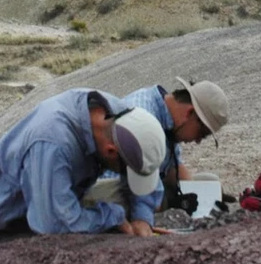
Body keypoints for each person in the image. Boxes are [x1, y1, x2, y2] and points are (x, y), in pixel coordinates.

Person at [0, 88, 167, 243]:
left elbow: (145, 166)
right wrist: (113, 218)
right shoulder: (53, 143)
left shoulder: (119, 113)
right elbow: (52, 224)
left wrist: (142, 217)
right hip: (13, 218)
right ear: (111, 151)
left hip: (64, 195)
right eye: (126, 171)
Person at [85, 76, 229, 208]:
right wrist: (173, 202)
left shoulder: (170, 121)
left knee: (211, 181)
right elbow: (133, 184)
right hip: (107, 186)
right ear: (190, 113)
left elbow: (173, 168)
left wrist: (201, 197)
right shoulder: (142, 114)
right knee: (134, 200)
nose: (197, 141)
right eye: (201, 134)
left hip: (146, 183)